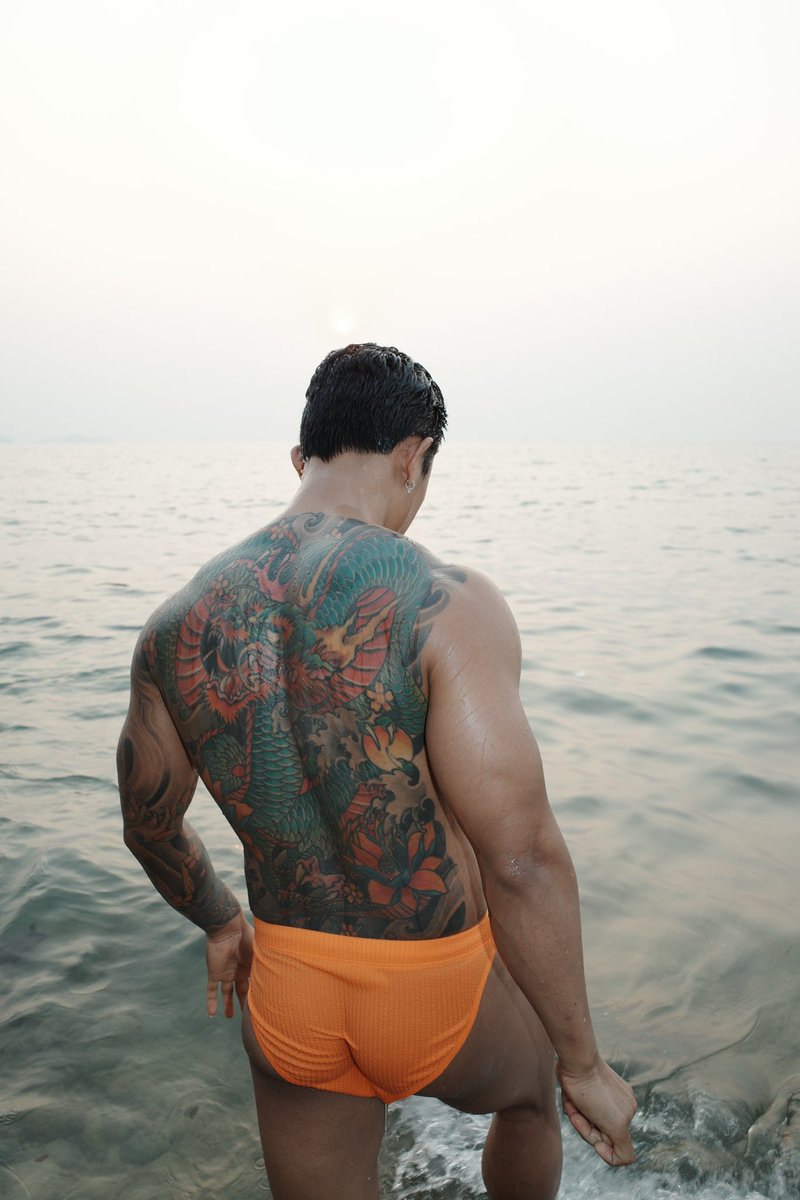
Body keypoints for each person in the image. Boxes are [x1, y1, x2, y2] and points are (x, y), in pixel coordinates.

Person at [117, 342, 637, 1199]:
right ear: (413, 455)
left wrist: (219, 922)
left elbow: (148, 824)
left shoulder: (175, 625)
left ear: (302, 459)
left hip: (289, 990)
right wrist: (584, 1064)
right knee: (533, 1098)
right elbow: (521, 858)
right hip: (436, 988)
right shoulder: (444, 600)